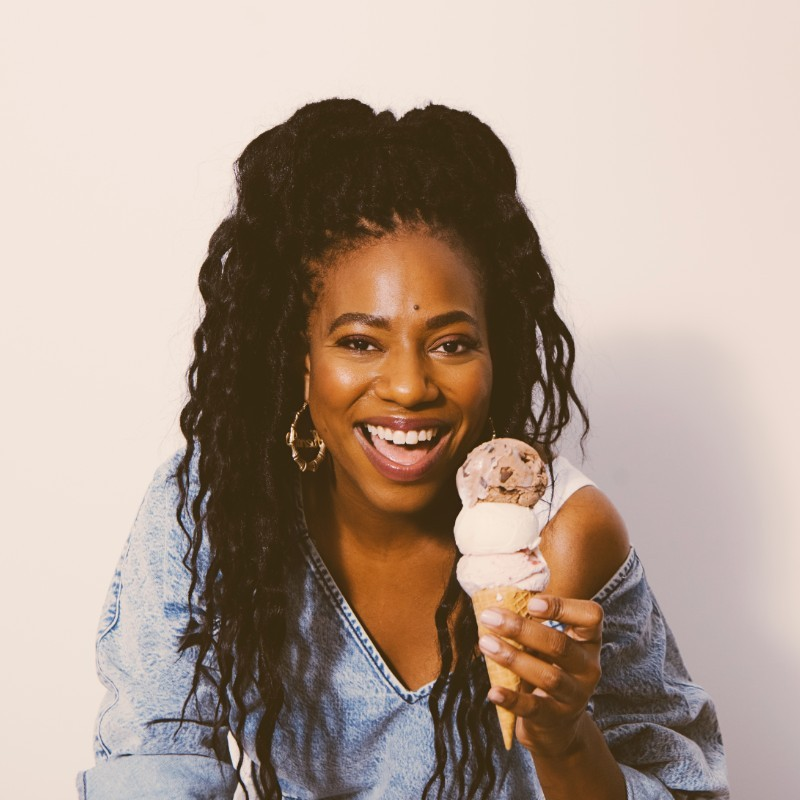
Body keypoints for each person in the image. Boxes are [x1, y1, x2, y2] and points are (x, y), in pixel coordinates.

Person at [76, 99, 729, 800]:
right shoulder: (216, 508)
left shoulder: (564, 539)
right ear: (300, 357)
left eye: (451, 344)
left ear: (496, 355)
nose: (410, 386)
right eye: (361, 342)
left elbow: (683, 789)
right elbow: (152, 764)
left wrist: (566, 740)